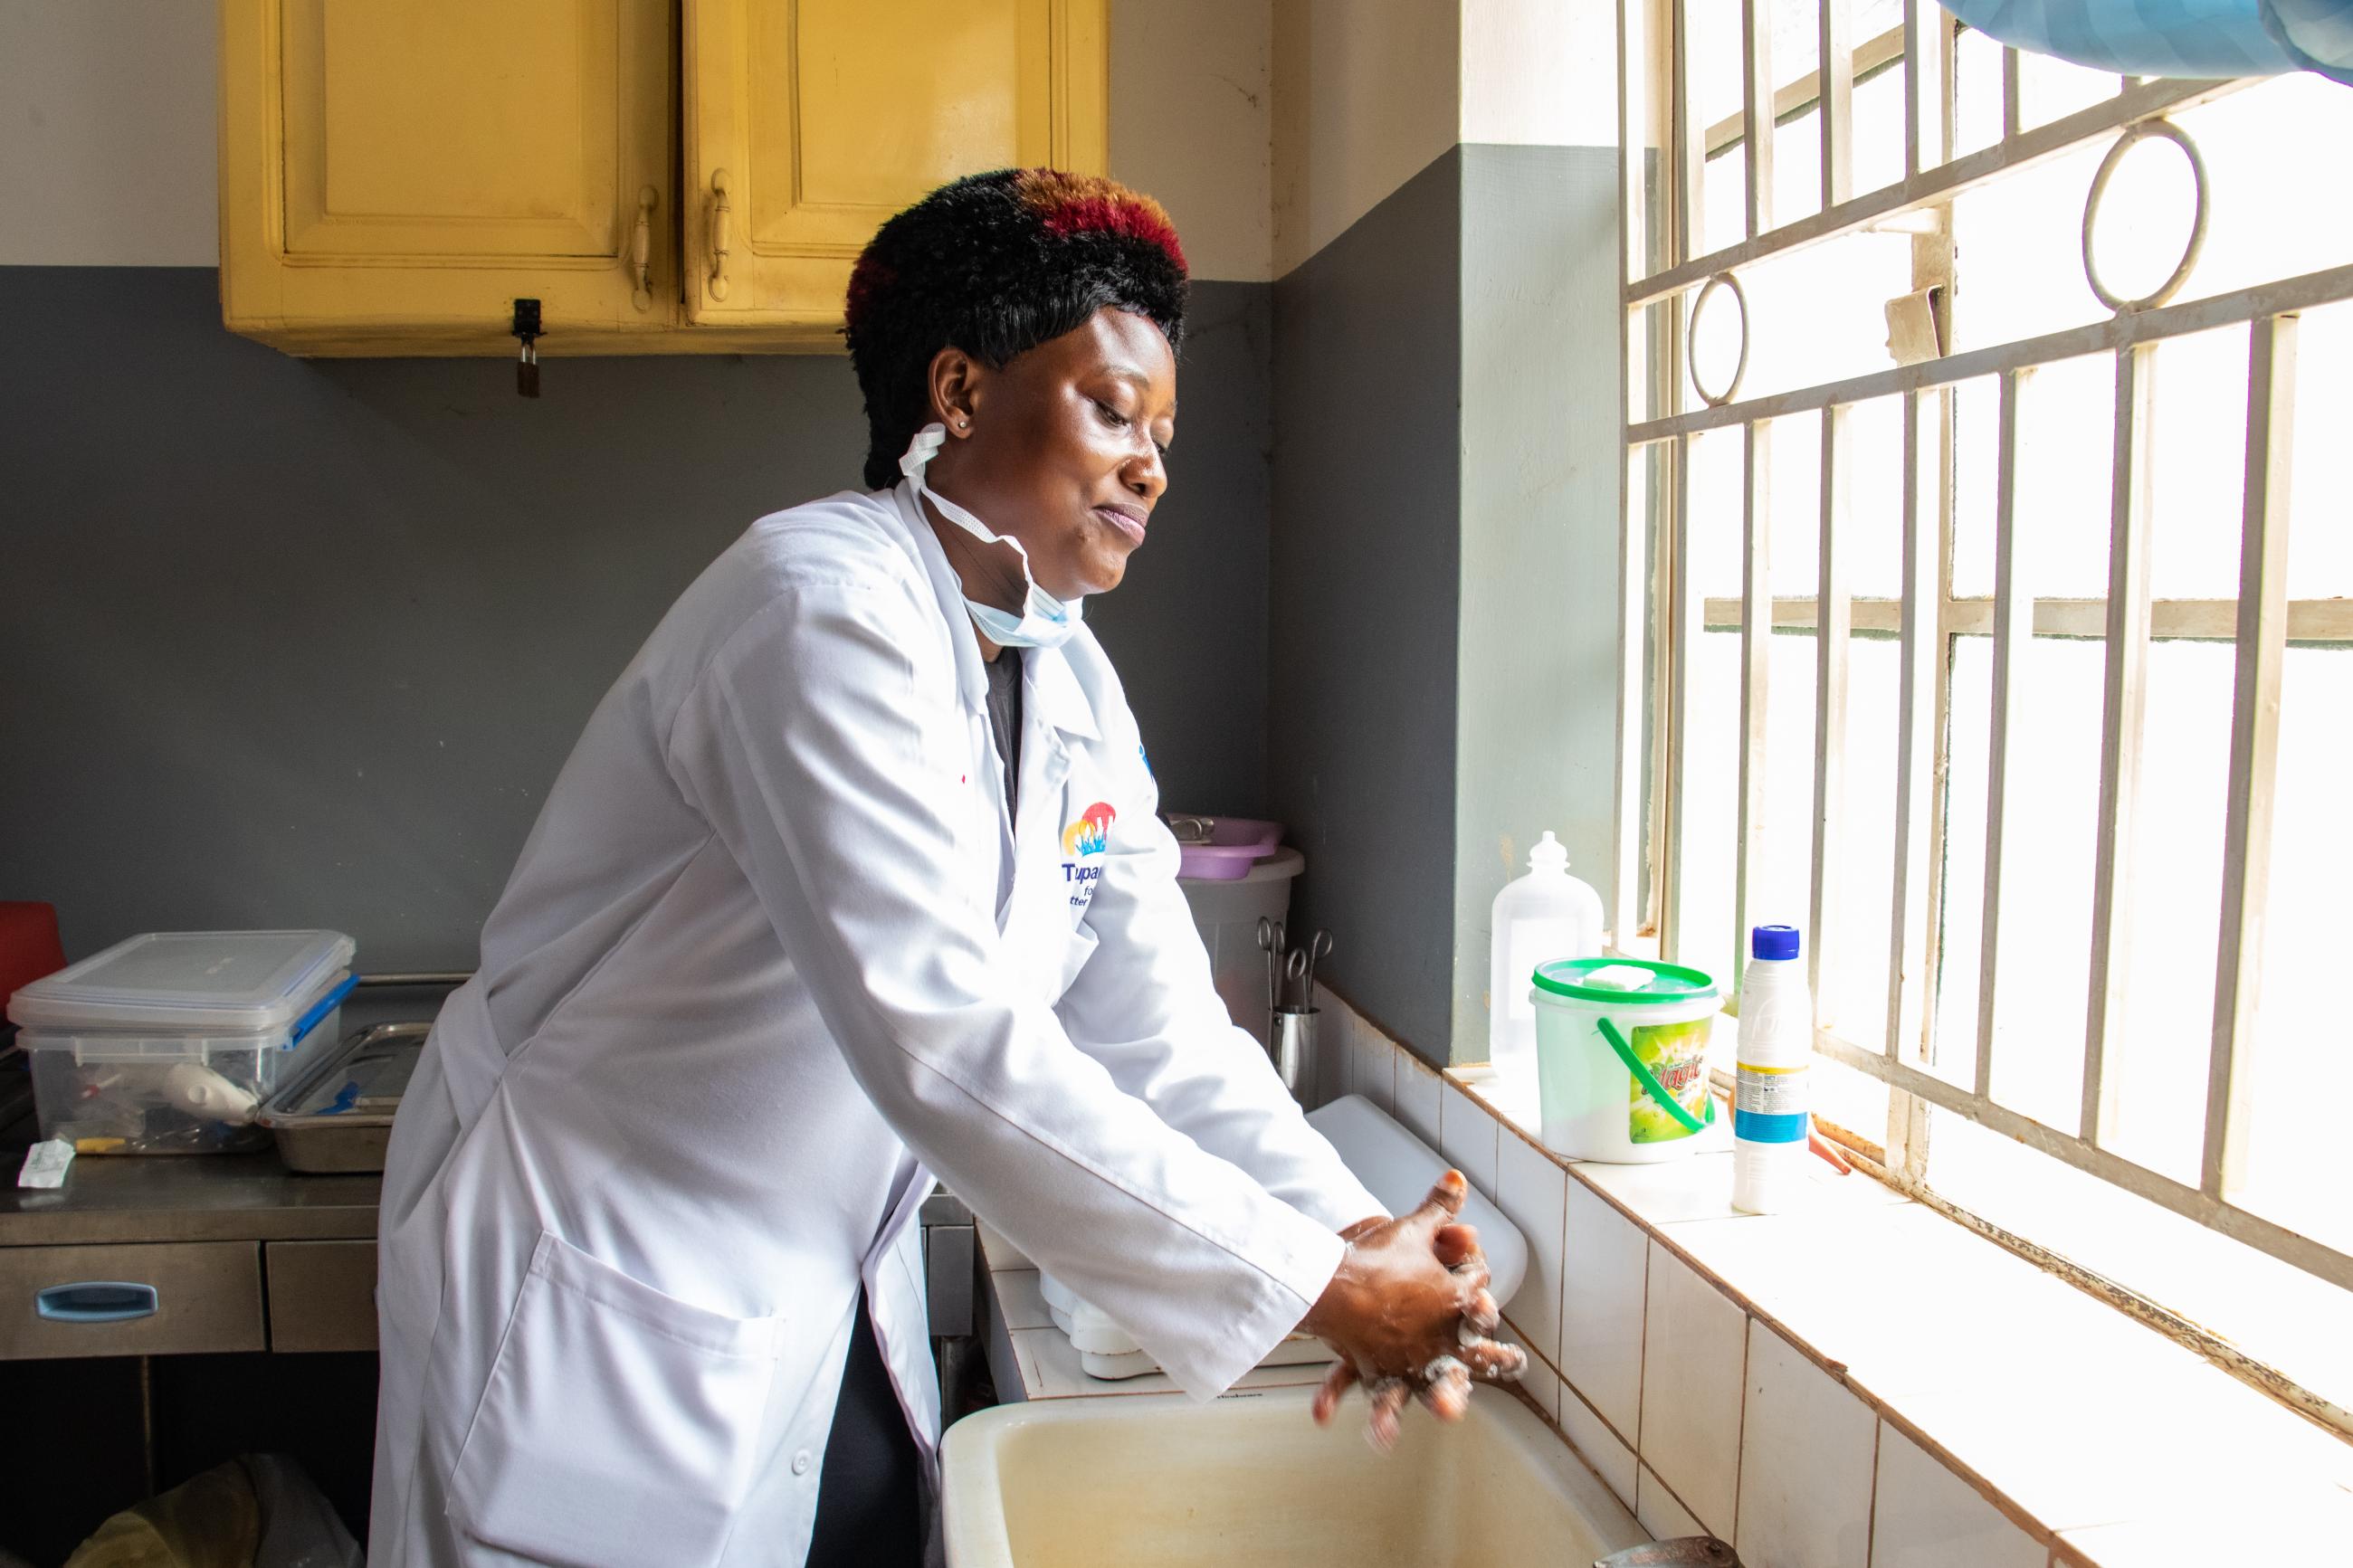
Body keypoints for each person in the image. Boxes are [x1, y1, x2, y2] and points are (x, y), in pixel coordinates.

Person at [367, 168, 1522, 1568]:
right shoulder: (812, 610)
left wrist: (1353, 1224)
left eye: (1165, 430)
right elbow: (948, 1044)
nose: (1153, 463)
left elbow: (1156, 1028)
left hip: (812, 1290)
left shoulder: (1069, 682)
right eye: (1111, 408)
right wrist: (1324, 1288)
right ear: (961, 392)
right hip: (608, 1278)